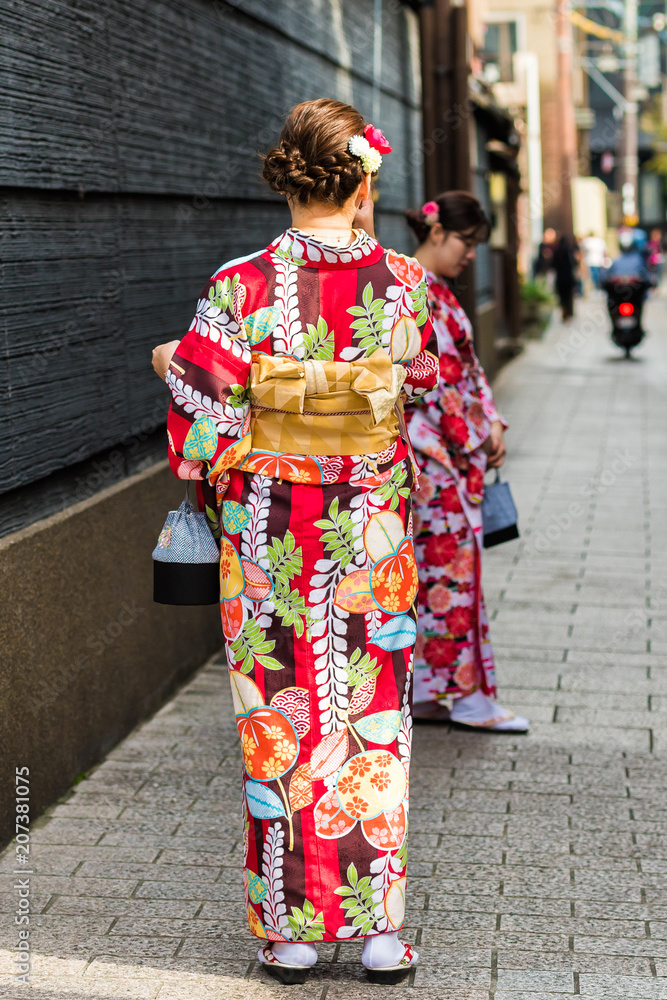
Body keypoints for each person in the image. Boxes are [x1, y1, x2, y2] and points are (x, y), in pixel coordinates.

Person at [150, 99, 439, 983]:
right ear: (362, 184)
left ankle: (292, 934)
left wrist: (171, 363)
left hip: (274, 535)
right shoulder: (406, 283)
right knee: (372, 720)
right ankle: (380, 933)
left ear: (288, 179)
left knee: (281, 718)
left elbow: (200, 433)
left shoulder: (238, 284)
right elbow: (414, 385)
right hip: (372, 535)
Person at [402, 193, 529, 732]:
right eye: (466, 242)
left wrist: (492, 421)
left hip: (441, 453)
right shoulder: (411, 290)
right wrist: (478, 436)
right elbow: (441, 383)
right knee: (452, 576)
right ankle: (469, 699)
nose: (470, 255)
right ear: (436, 233)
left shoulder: (432, 291)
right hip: (433, 457)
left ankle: (428, 693)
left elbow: (465, 374)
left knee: (437, 575)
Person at [552, 234, 576, 320]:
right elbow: (573, 263)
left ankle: (564, 313)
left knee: (562, 297)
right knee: (569, 296)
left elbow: (553, 265)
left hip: (560, 278)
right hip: (568, 278)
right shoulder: (569, 250)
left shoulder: (556, 251)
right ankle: (569, 312)